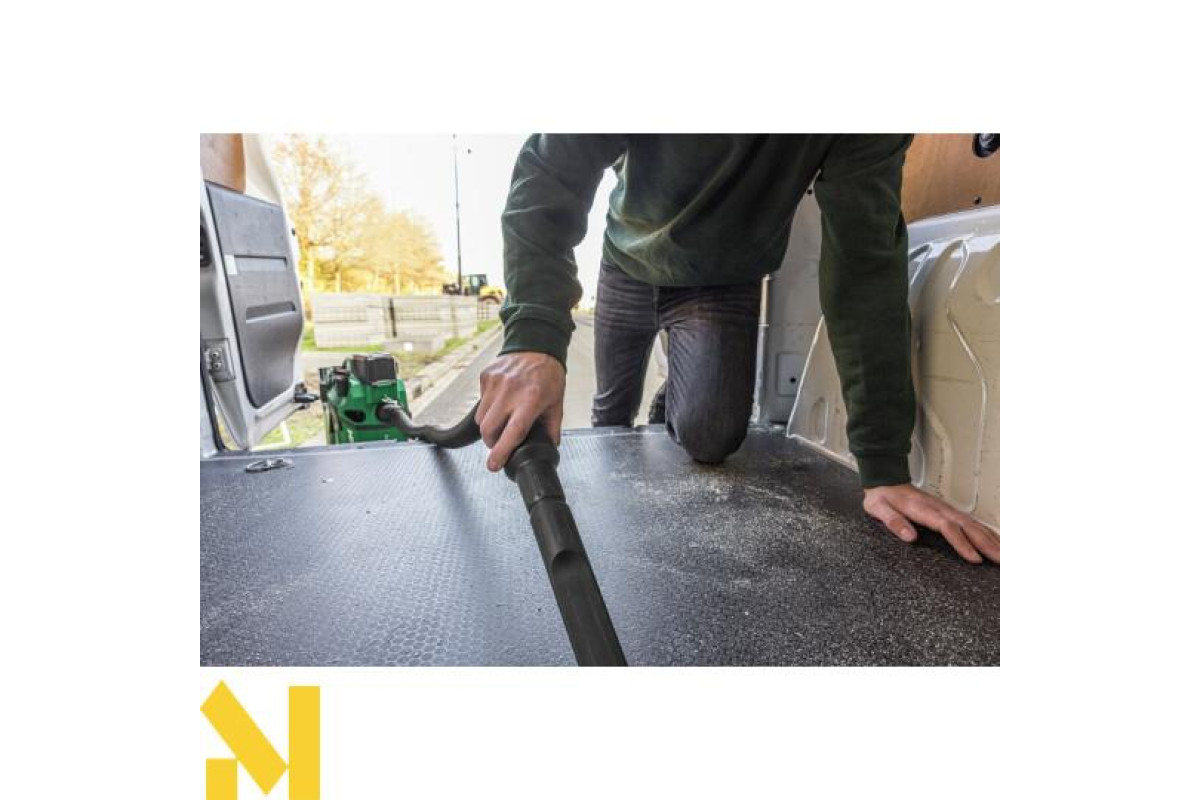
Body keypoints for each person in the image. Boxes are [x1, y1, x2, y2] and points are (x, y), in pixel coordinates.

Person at [475, 134, 999, 565]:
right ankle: (619, 519)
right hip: (628, 260)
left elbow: (865, 266)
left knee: (712, 438)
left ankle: (676, 396)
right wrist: (535, 338)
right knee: (610, 413)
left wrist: (884, 468)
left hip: (724, 278)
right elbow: (551, 170)